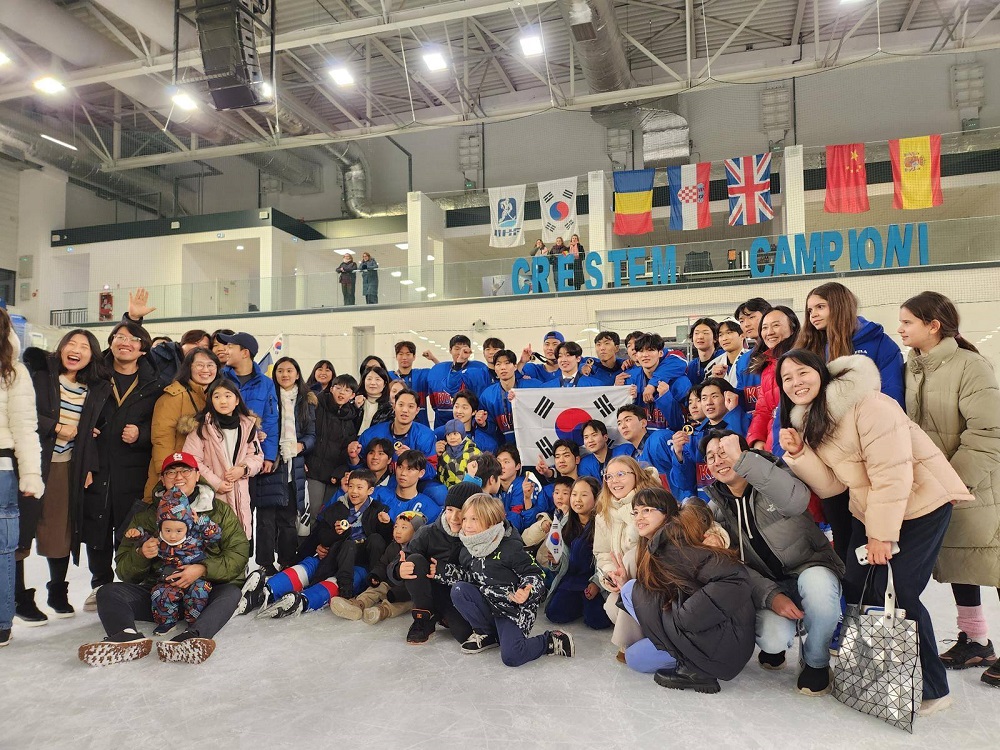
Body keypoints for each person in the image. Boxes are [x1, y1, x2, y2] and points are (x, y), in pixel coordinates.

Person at [777, 349, 973, 715]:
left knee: (900, 592)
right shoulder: (812, 419)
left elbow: (892, 473)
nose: (796, 383)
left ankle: (933, 688)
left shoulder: (869, 405)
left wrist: (881, 535)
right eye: (787, 379)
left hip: (922, 503)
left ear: (821, 372)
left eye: (802, 373)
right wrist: (801, 454)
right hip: (871, 508)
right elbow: (835, 486)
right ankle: (873, 674)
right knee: (856, 585)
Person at [899, 291, 1000, 686]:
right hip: (938, 486)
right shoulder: (912, 367)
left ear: (933, 325)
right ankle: (975, 641)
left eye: (907, 322)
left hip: (977, 484)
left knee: (994, 561)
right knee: (961, 559)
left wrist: (953, 481)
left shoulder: (970, 366)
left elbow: (989, 431)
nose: (900, 328)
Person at [703, 430, 845, 696]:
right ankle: (779, 644)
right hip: (768, 585)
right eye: (711, 457)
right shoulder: (717, 509)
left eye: (724, 452)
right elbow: (733, 566)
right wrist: (771, 596)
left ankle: (816, 661)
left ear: (742, 453)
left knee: (819, 589)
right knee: (773, 638)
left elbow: (796, 500)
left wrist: (746, 461)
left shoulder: (774, 476)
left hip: (809, 567)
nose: (718, 460)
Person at [78, 452, 249, 666]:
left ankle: (193, 637)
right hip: (161, 596)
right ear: (162, 478)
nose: (178, 477)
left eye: (185, 470)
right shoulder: (146, 515)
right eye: (171, 472)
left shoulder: (219, 512)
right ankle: (126, 636)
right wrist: (141, 555)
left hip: (203, 592)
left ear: (197, 475)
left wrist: (203, 569)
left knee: (230, 593)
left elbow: (238, 554)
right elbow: (123, 569)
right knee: (108, 592)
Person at [617, 487, 755, 693]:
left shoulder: (677, 543)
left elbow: (735, 578)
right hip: (706, 635)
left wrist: (686, 619)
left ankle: (696, 668)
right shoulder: (660, 544)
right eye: (635, 512)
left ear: (667, 513)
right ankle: (687, 657)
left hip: (721, 640)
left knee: (631, 591)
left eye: (647, 510)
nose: (639, 517)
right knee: (634, 657)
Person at [16, 331, 111, 625]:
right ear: (60, 348)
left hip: (65, 465)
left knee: (60, 531)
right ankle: (19, 598)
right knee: (19, 532)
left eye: (84, 347)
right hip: (29, 462)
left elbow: (92, 432)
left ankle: (57, 591)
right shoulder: (39, 376)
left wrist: (88, 466)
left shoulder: (93, 388)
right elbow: (19, 412)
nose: (76, 350)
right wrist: (55, 427)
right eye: (72, 343)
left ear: (91, 356)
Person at [438, 493, 574, 663]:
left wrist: (527, 591)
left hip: (513, 608)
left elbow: (535, 574)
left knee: (512, 656)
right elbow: (471, 576)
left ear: (490, 521)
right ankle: (487, 634)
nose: (467, 525)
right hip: (489, 601)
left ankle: (550, 641)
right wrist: (442, 571)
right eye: (465, 519)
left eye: (474, 519)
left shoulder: (510, 547)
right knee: (459, 590)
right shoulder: (468, 548)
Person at [83, 320, 164, 603]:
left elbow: (161, 425)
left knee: (130, 527)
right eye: (119, 337)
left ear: (143, 350)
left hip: (133, 469)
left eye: (132, 339)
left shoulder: (154, 385)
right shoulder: (95, 376)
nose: (124, 343)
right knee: (97, 527)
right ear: (111, 342)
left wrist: (141, 434)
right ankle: (100, 584)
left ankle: (130, 585)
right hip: (97, 465)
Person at [254, 467, 393, 617]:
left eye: (359, 487)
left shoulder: (379, 510)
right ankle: (266, 589)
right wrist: (335, 533)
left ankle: (307, 599)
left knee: (366, 546)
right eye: (351, 486)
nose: (354, 491)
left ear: (370, 490)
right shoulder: (337, 507)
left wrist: (386, 524)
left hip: (361, 562)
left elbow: (385, 541)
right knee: (313, 563)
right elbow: (321, 536)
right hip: (336, 554)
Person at [387, 481, 480, 645]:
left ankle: (443, 614)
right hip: (428, 591)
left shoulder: (479, 537)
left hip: (457, 593)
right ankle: (423, 617)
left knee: (464, 632)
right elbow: (400, 559)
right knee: (414, 560)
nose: (454, 518)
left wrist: (444, 571)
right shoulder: (428, 532)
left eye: (461, 511)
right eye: (450, 510)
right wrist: (398, 569)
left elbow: (481, 575)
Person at [0, 310, 44, 647]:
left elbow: (25, 428)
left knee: (3, 548)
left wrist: (30, 474)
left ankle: (2, 621)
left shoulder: (13, 371)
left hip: (2, 468)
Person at [123, 487, 222, 635]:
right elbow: (146, 539)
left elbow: (215, 535)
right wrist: (138, 534)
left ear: (187, 526)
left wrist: (202, 522)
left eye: (179, 531)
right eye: (168, 530)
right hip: (170, 577)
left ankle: (195, 622)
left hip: (196, 577)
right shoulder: (160, 540)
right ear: (161, 527)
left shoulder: (195, 536)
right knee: (160, 594)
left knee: (198, 593)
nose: (173, 536)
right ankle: (167, 622)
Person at [594, 455, 662, 660]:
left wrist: (628, 508)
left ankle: (626, 644)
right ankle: (643, 639)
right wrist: (609, 575)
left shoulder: (654, 500)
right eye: (609, 476)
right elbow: (602, 553)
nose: (614, 481)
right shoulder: (603, 514)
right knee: (610, 607)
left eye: (621, 474)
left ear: (636, 475)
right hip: (625, 580)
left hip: (655, 577)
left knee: (632, 557)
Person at [796, 281, 905, 406]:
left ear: (840, 306)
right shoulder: (807, 346)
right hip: (820, 418)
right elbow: (790, 397)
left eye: (820, 307)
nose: (813, 315)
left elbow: (892, 391)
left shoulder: (880, 342)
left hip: (869, 416)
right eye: (810, 311)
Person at [181, 380, 264, 539]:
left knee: (239, 537)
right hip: (210, 494)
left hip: (240, 492)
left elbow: (256, 455)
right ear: (211, 400)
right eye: (217, 396)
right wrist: (216, 483)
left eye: (228, 396)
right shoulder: (201, 427)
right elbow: (192, 461)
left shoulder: (247, 426)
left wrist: (243, 469)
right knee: (213, 536)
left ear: (237, 400)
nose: (223, 401)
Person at [145, 347, 220, 503]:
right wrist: (167, 474)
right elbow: (162, 440)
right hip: (179, 475)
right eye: (199, 365)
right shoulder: (173, 397)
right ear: (188, 367)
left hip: (210, 475)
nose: (206, 370)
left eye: (210, 365)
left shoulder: (220, 395)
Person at [218, 331, 279, 521]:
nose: (225, 350)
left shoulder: (266, 383)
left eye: (230, 347)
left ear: (245, 353)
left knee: (245, 506)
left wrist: (269, 455)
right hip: (221, 450)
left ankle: (243, 539)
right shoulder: (220, 378)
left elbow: (270, 419)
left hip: (250, 454)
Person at [329, 511, 425, 624]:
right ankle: (358, 605)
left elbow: (418, 581)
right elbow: (383, 564)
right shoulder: (393, 547)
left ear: (416, 532)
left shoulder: (419, 553)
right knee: (375, 589)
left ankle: (382, 611)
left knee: (405, 603)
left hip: (408, 591)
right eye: (396, 526)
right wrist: (376, 575)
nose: (398, 531)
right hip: (390, 583)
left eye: (404, 528)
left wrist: (397, 593)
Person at [541, 476, 611, 630]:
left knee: (597, 621)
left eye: (584, 495)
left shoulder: (603, 524)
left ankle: (587, 603)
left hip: (593, 580)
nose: (577, 499)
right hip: (572, 580)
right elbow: (560, 564)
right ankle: (579, 603)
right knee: (554, 614)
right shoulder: (565, 523)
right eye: (574, 494)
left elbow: (607, 559)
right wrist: (556, 561)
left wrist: (597, 583)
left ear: (596, 497)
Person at [268, 357, 316, 570]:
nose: (285, 374)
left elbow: (312, 435)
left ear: (297, 374)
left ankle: (286, 563)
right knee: (267, 520)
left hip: (292, 467)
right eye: (280, 370)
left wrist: (301, 445)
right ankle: (265, 563)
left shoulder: (306, 401)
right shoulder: (269, 397)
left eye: (289, 370)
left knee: (288, 519)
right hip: (271, 465)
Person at [744, 306, 801, 452]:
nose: (769, 332)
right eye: (764, 327)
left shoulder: (802, 361)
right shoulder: (767, 365)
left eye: (776, 325)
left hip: (795, 444)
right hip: (772, 444)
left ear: (793, 328)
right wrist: (757, 440)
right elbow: (762, 409)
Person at [306, 374, 359, 511]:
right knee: (312, 511)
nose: (342, 393)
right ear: (331, 389)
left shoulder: (351, 418)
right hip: (313, 471)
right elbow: (306, 434)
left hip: (334, 476)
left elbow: (346, 451)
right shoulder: (317, 405)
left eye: (347, 390)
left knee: (327, 513)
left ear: (352, 395)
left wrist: (338, 473)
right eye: (338, 388)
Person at [479, 349, 542, 444]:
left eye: (507, 363)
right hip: (504, 447)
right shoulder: (487, 396)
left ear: (515, 366)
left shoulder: (533, 386)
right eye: (498, 364)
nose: (503, 367)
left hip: (533, 443)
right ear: (495, 369)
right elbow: (491, 428)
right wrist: (484, 423)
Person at [426, 335, 491, 426]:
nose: (461, 352)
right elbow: (433, 401)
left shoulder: (479, 369)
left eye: (464, 349)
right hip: (442, 425)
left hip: (472, 426)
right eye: (457, 349)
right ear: (450, 350)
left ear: (469, 350)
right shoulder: (437, 370)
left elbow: (484, 397)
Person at [374, 450, 441, 522]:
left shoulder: (429, 508)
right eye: (400, 467)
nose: (403, 473)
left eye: (410, 469)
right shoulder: (378, 493)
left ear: (421, 473)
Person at [434, 389, 497, 455]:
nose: (459, 411)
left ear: (474, 412)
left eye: (464, 408)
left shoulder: (483, 441)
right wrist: (434, 450)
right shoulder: (439, 433)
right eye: (456, 406)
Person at [389, 341, 432, 426]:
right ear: (396, 357)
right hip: (396, 426)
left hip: (421, 424)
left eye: (408, 354)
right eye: (401, 354)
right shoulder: (389, 376)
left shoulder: (422, 374)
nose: (404, 357)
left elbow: (442, 374)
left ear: (414, 356)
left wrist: (433, 359)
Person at [437, 420, 480, 488]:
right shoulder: (444, 455)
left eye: (455, 434)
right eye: (448, 434)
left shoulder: (474, 452)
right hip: (450, 491)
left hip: (470, 489)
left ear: (462, 434)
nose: (452, 437)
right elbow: (441, 475)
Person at [706, 318, 747, 387]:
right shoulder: (712, 365)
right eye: (720, 335)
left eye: (729, 333)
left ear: (742, 335)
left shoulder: (752, 359)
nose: (724, 338)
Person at [357, 366, 393, 433]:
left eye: (377, 379)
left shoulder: (389, 408)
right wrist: (355, 407)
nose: (373, 383)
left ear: (384, 384)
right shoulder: (354, 401)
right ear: (364, 381)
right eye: (369, 379)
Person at [686, 318, 721, 384]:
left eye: (705, 333)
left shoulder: (724, 359)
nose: (700, 337)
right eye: (696, 333)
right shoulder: (691, 366)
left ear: (715, 338)